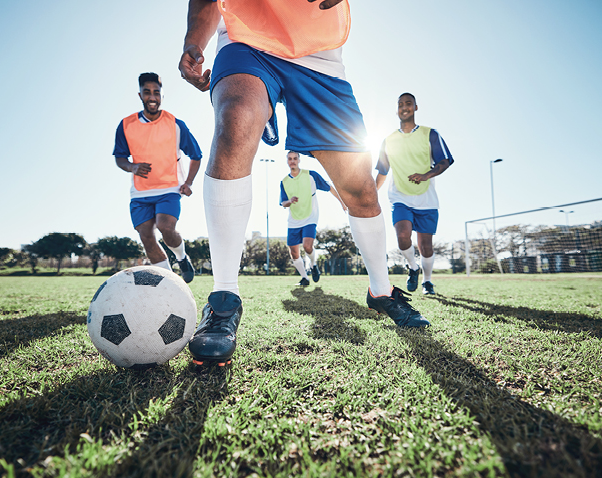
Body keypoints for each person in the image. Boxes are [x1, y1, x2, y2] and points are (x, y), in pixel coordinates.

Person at [180, 0, 430, 366]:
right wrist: (194, 40)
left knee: (360, 189)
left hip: (318, 56)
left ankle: (381, 290)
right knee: (236, 121)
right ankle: (223, 299)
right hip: (246, 40)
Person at [112, 72, 202, 283]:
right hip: (141, 192)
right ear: (140, 95)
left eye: (156, 93)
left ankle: (181, 256)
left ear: (161, 95)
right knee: (146, 236)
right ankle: (170, 282)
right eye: (147, 92)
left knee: (165, 227)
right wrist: (132, 167)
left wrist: (188, 182)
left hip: (169, 188)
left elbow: (196, 155)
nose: (152, 97)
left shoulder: (175, 124)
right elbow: (120, 157)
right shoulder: (126, 125)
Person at [375, 92, 454, 295]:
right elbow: (383, 171)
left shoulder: (430, 134)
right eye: (400, 104)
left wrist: (427, 174)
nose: (404, 107)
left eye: (408, 103)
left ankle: (427, 281)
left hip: (426, 199)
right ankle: (413, 267)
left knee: (426, 246)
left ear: (415, 107)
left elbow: (444, 161)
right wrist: (371, 194)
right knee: (402, 236)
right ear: (396, 109)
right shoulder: (388, 140)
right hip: (399, 196)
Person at [280, 150, 347, 286]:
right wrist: (290, 201)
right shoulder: (284, 182)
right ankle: (305, 278)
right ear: (287, 161)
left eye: (295, 158)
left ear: (299, 160)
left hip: (310, 216)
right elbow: (283, 203)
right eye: (290, 159)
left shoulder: (311, 175)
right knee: (294, 252)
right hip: (293, 220)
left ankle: (313, 265)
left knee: (307, 246)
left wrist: (342, 202)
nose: (292, 161)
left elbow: (330, 187)